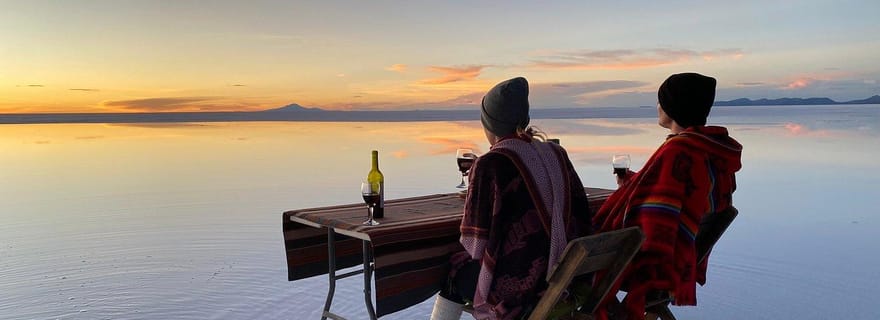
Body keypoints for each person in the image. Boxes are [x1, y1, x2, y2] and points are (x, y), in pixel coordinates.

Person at [430, 77, 592, 320]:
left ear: (489, 124)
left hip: (519, 289)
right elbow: (582, 211)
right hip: (562, 277)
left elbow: (474, 244)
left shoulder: (490, 164)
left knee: (454, 270)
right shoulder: (556, 153)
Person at [592, 72, 743, 319]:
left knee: (579, 233)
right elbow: (677, 193)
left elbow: (655, 212)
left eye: (661, 100)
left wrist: (627, 197)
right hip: (685, 252)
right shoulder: (711, 148)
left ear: (674, 106)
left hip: (657, 262)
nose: (658, 106)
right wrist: (633, 181)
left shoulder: (679, 149)